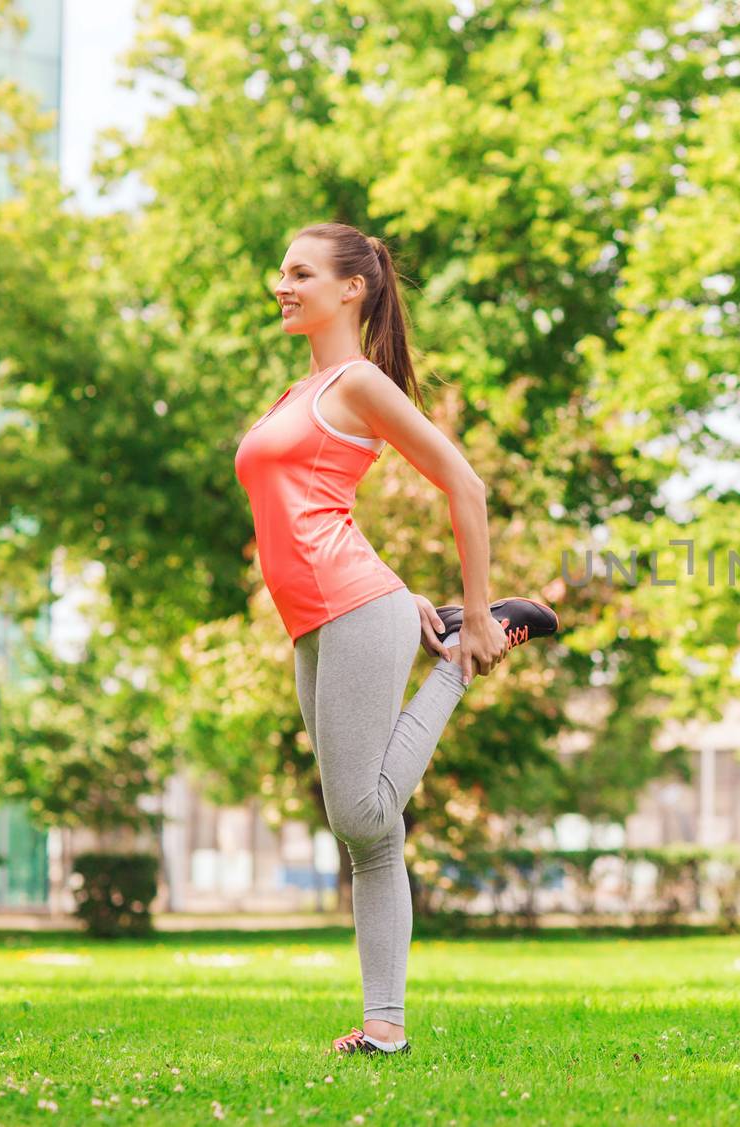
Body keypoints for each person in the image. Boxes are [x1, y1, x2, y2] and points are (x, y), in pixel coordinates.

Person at [234, 222, 558, 1055]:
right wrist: (408, 591)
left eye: (300, 271)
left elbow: (465, 481)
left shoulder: (360, 382)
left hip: (350, 608)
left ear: (352, 288)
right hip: (324, 617)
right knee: (368, 835)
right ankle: (385, 1029)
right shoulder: (300, 391)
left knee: (366, 814)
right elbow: (319, 509)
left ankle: (460, 659)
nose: (282, 283)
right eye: (282, 270)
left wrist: (480, 614)